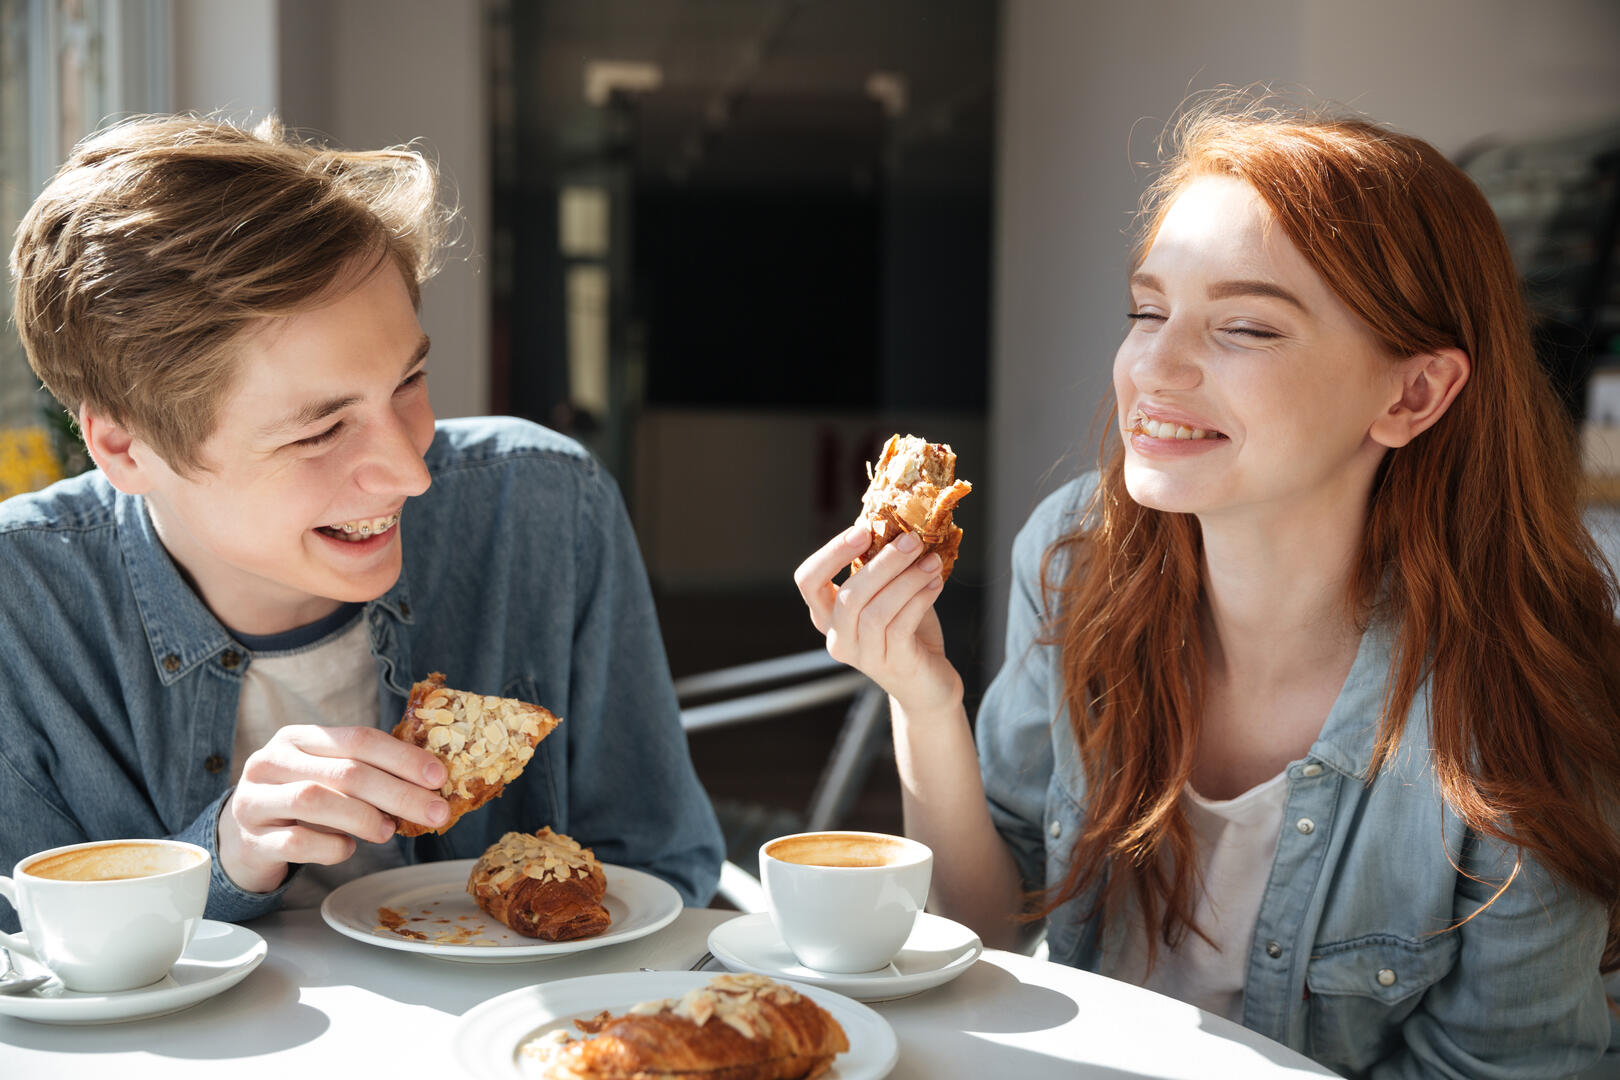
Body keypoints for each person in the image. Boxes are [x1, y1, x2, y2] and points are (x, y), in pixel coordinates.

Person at [796, 98, 1620, 1076]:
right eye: (1148, 311)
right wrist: (922, 699)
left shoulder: (1522, 684)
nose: (1154, 364)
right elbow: (984, 931)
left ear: (1413, 395)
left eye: (1244, 328)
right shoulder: (1076, 555)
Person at [0, 115, 723, 923]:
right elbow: (26, 973)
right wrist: (227, 855)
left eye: (408, 384)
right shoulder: (21, 606)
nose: (412, 473)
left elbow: (660, 864)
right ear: (123, 445)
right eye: (321, 430)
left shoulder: (545, 504)